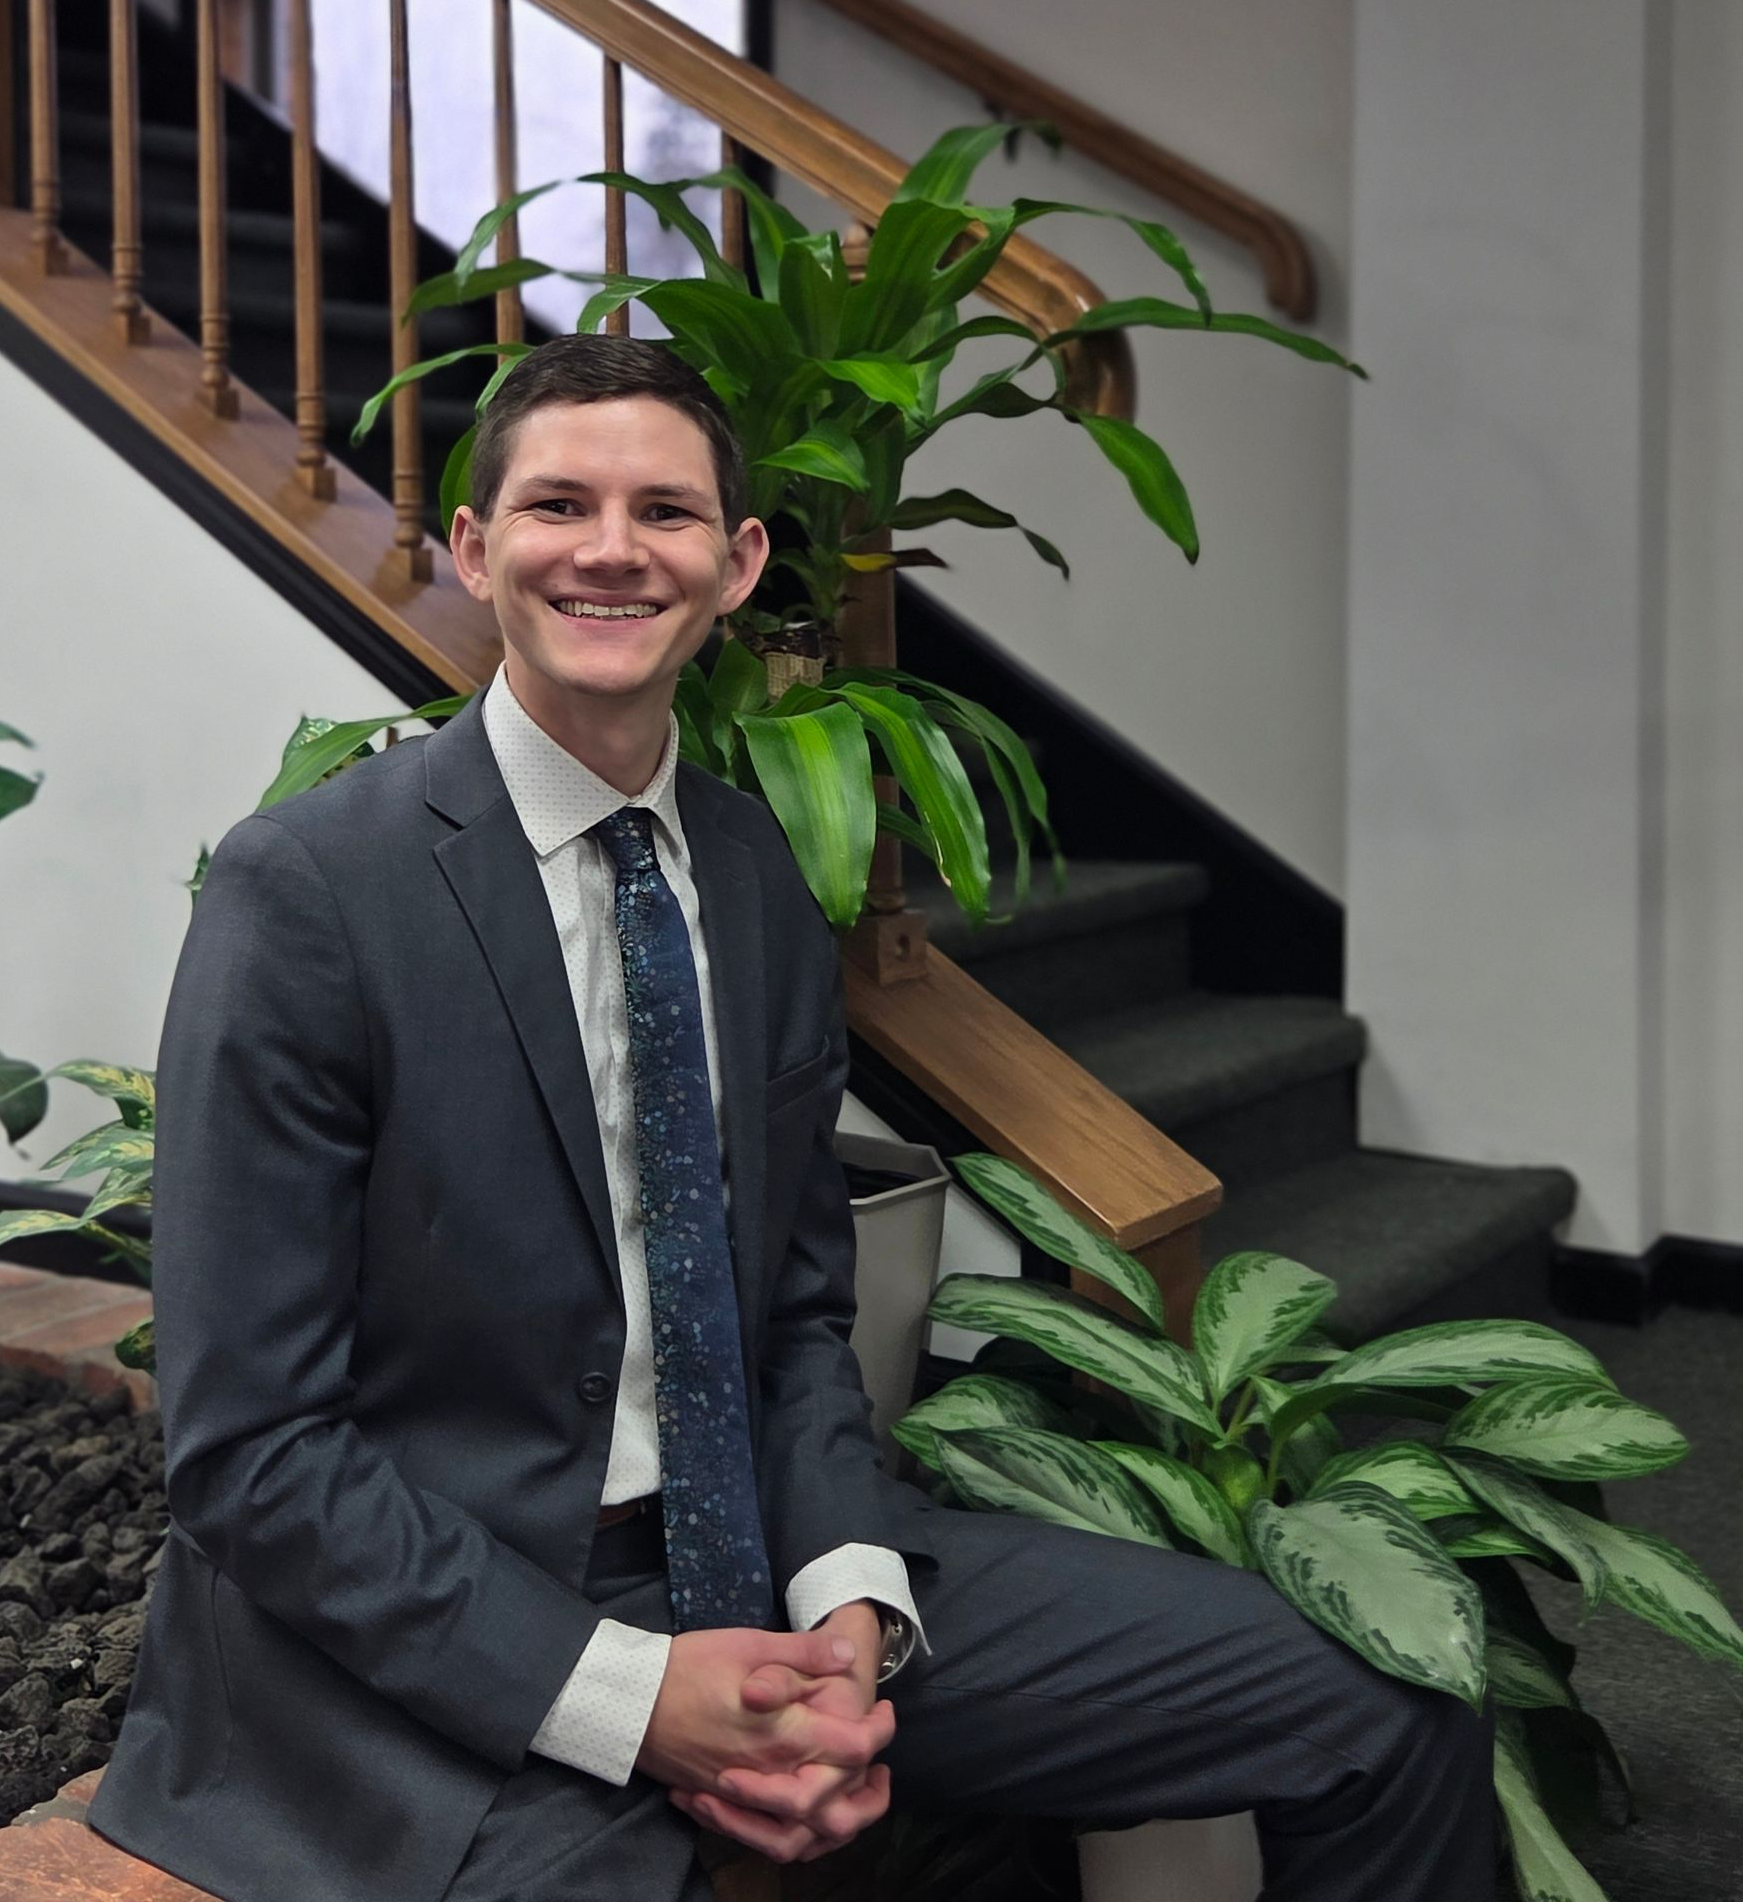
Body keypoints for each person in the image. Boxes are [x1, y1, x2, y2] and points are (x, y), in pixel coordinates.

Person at [86, 336, 1495, 1902]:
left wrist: (851, 1600)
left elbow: (797, 1313)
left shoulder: (755, 875)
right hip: (443, 1610)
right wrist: (635, 1699)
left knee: (1382, 1703)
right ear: (476, 549)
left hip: (758, 1555)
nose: (614, 548)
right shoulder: (309, 894)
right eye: (559, 502)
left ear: (739, 563)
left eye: (668, 512)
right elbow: (253, 1451)